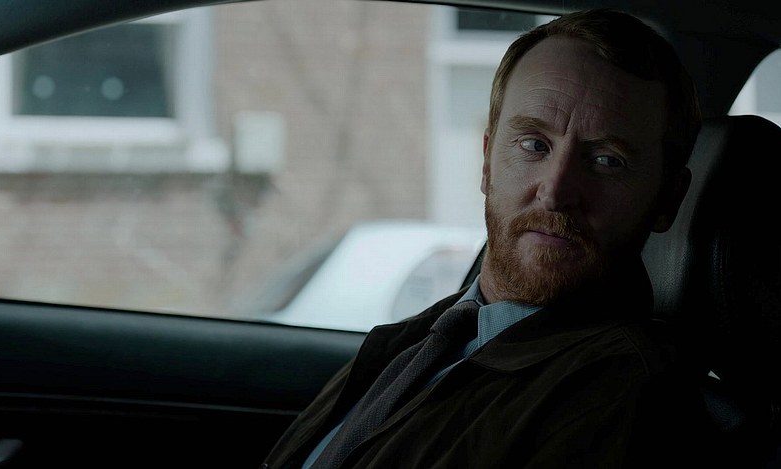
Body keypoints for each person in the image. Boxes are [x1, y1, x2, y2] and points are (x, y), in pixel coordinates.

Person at [262, 8, 711, 468]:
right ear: (487, 161)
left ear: (667, 199)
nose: (555, 192)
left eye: (607, 160)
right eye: (534, 145)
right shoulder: (423, 338)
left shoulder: (628, 398)